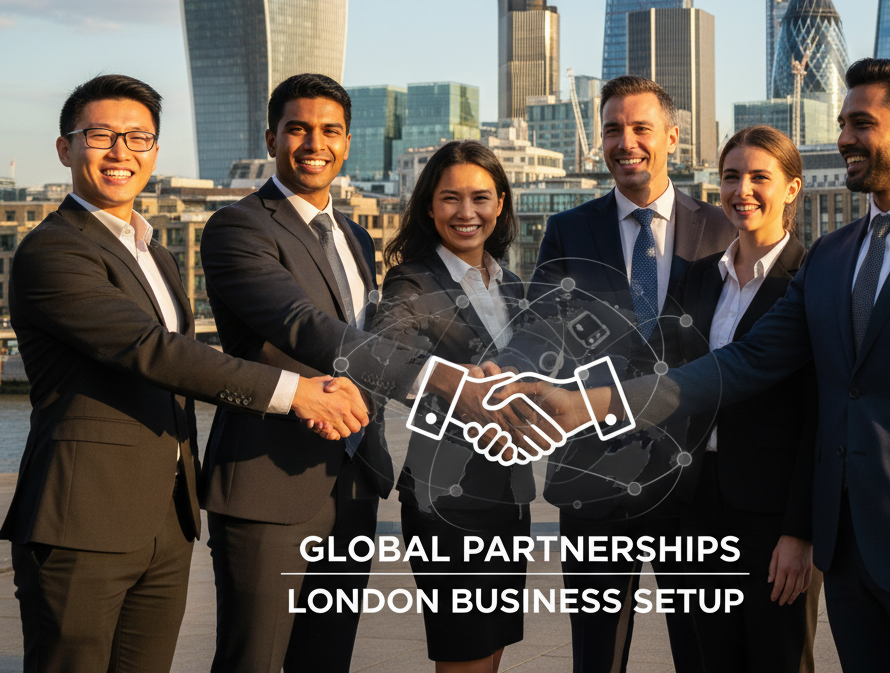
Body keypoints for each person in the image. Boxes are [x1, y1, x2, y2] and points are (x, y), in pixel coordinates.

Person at [511, 59, 890, 673]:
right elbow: (745, 361)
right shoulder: (834, 256)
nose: (844, 138)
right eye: (841, 122)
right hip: (844, 552)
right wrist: (590, 402)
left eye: (862, 123)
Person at [1, 74, 367, 673]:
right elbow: (154, 351)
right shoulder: (53, 250)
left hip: (164, 519)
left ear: (155, 152)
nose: (121, 151)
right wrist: (296, 392)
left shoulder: (155, 252)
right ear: (66, 148)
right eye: (100, 135)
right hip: (82, 517)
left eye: (138, 138)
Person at [198, 74, 516, 673]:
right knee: (255, 660)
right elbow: (302, 326)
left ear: (347, 144)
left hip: (352, 481)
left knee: (326, 660)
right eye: (298, 128)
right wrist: (441, 379)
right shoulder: (238, 226)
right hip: (270, 481)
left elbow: (364, 344)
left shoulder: (354, 237)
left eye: (330, 131)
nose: (314, 143)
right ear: (271, 137)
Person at [519, 74, 735, 673]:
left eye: (641, 127)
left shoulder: (720, 230)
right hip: (593, 476)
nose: (625, 141)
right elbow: (540, 337)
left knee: (701, 651)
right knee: (596, 653)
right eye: (612, 128)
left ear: (671, 136)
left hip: (693, 483)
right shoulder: (568, 230)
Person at [371, 140, 532, 673]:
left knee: (493, 649)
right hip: (446, 502)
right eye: (450, 199)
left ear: (501, 204)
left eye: (481, 198)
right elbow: (385, 350)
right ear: (428, 208)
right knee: (462, 653)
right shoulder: (412, 281)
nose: (467, 213)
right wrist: (452, 381)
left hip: (510, 496)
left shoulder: (511, 284)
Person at [676, 125, 820, 673]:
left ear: (792, 189)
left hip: (772, 514)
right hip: (697, 505)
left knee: (777, 659)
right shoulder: (697, 280)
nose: (743, 191)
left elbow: (819, 419)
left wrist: (799, 532)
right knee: (712, 659)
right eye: (731, 177)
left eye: (761, 177)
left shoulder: (811, 279)